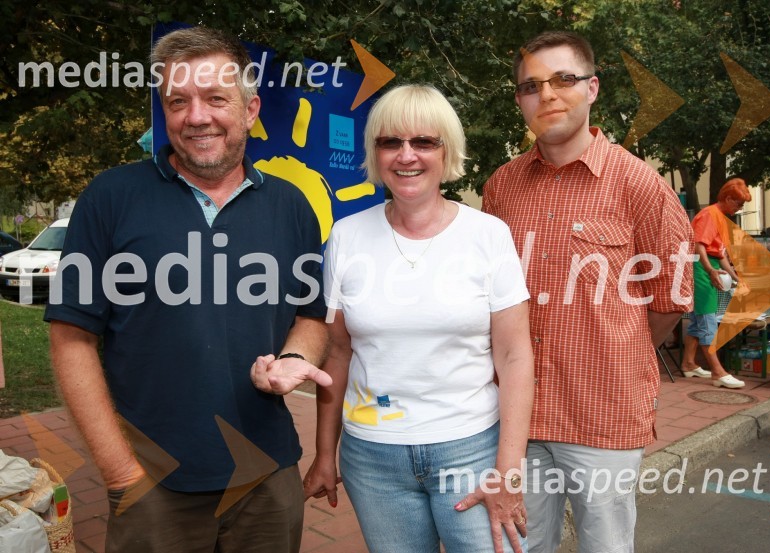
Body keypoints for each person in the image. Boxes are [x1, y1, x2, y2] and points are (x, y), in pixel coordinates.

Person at [45, 27, 331, 553]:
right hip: (153, 482)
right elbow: (71, 339)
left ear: (250, 110)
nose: (196, 116)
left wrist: (292, 359)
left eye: (216, 98)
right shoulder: (110, 198)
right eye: (179, 101)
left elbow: (311, 316)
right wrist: (120, 473)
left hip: (268, 475)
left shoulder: (293, 207)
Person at [482, 31, 694, 553]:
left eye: (563, 79)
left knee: (606, 546)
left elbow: (669, 301)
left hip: (604, 413)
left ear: (593, 87)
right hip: (519, 421)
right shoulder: (500, 188)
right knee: (519, 546)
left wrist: (610, 343)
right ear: (520, 100)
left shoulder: (639, 184)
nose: (548, 95)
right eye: (532, 85)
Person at [302, 84, 535, 553]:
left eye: (424, 142)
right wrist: (325, 453)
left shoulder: (488, 235)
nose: (406, 156)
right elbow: (339, 353)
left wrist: (508, 469)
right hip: (372, 458)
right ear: (375, 152)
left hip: (470, 448)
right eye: (391, 142)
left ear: (446, 152)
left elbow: (515, 356)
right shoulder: (346, 236)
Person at [680, 178, 752, 389]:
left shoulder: (719, 216)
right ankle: (718, 372)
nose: (740, 208)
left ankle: (689, 363)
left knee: (698, 319)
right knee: (707, 319)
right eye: (739, 204)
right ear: (728, 198)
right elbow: (698, 246)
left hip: (706, 267)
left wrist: (738, 278)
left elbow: (720, 255)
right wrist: (710, 271)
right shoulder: (710, 215)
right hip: (700, 269)